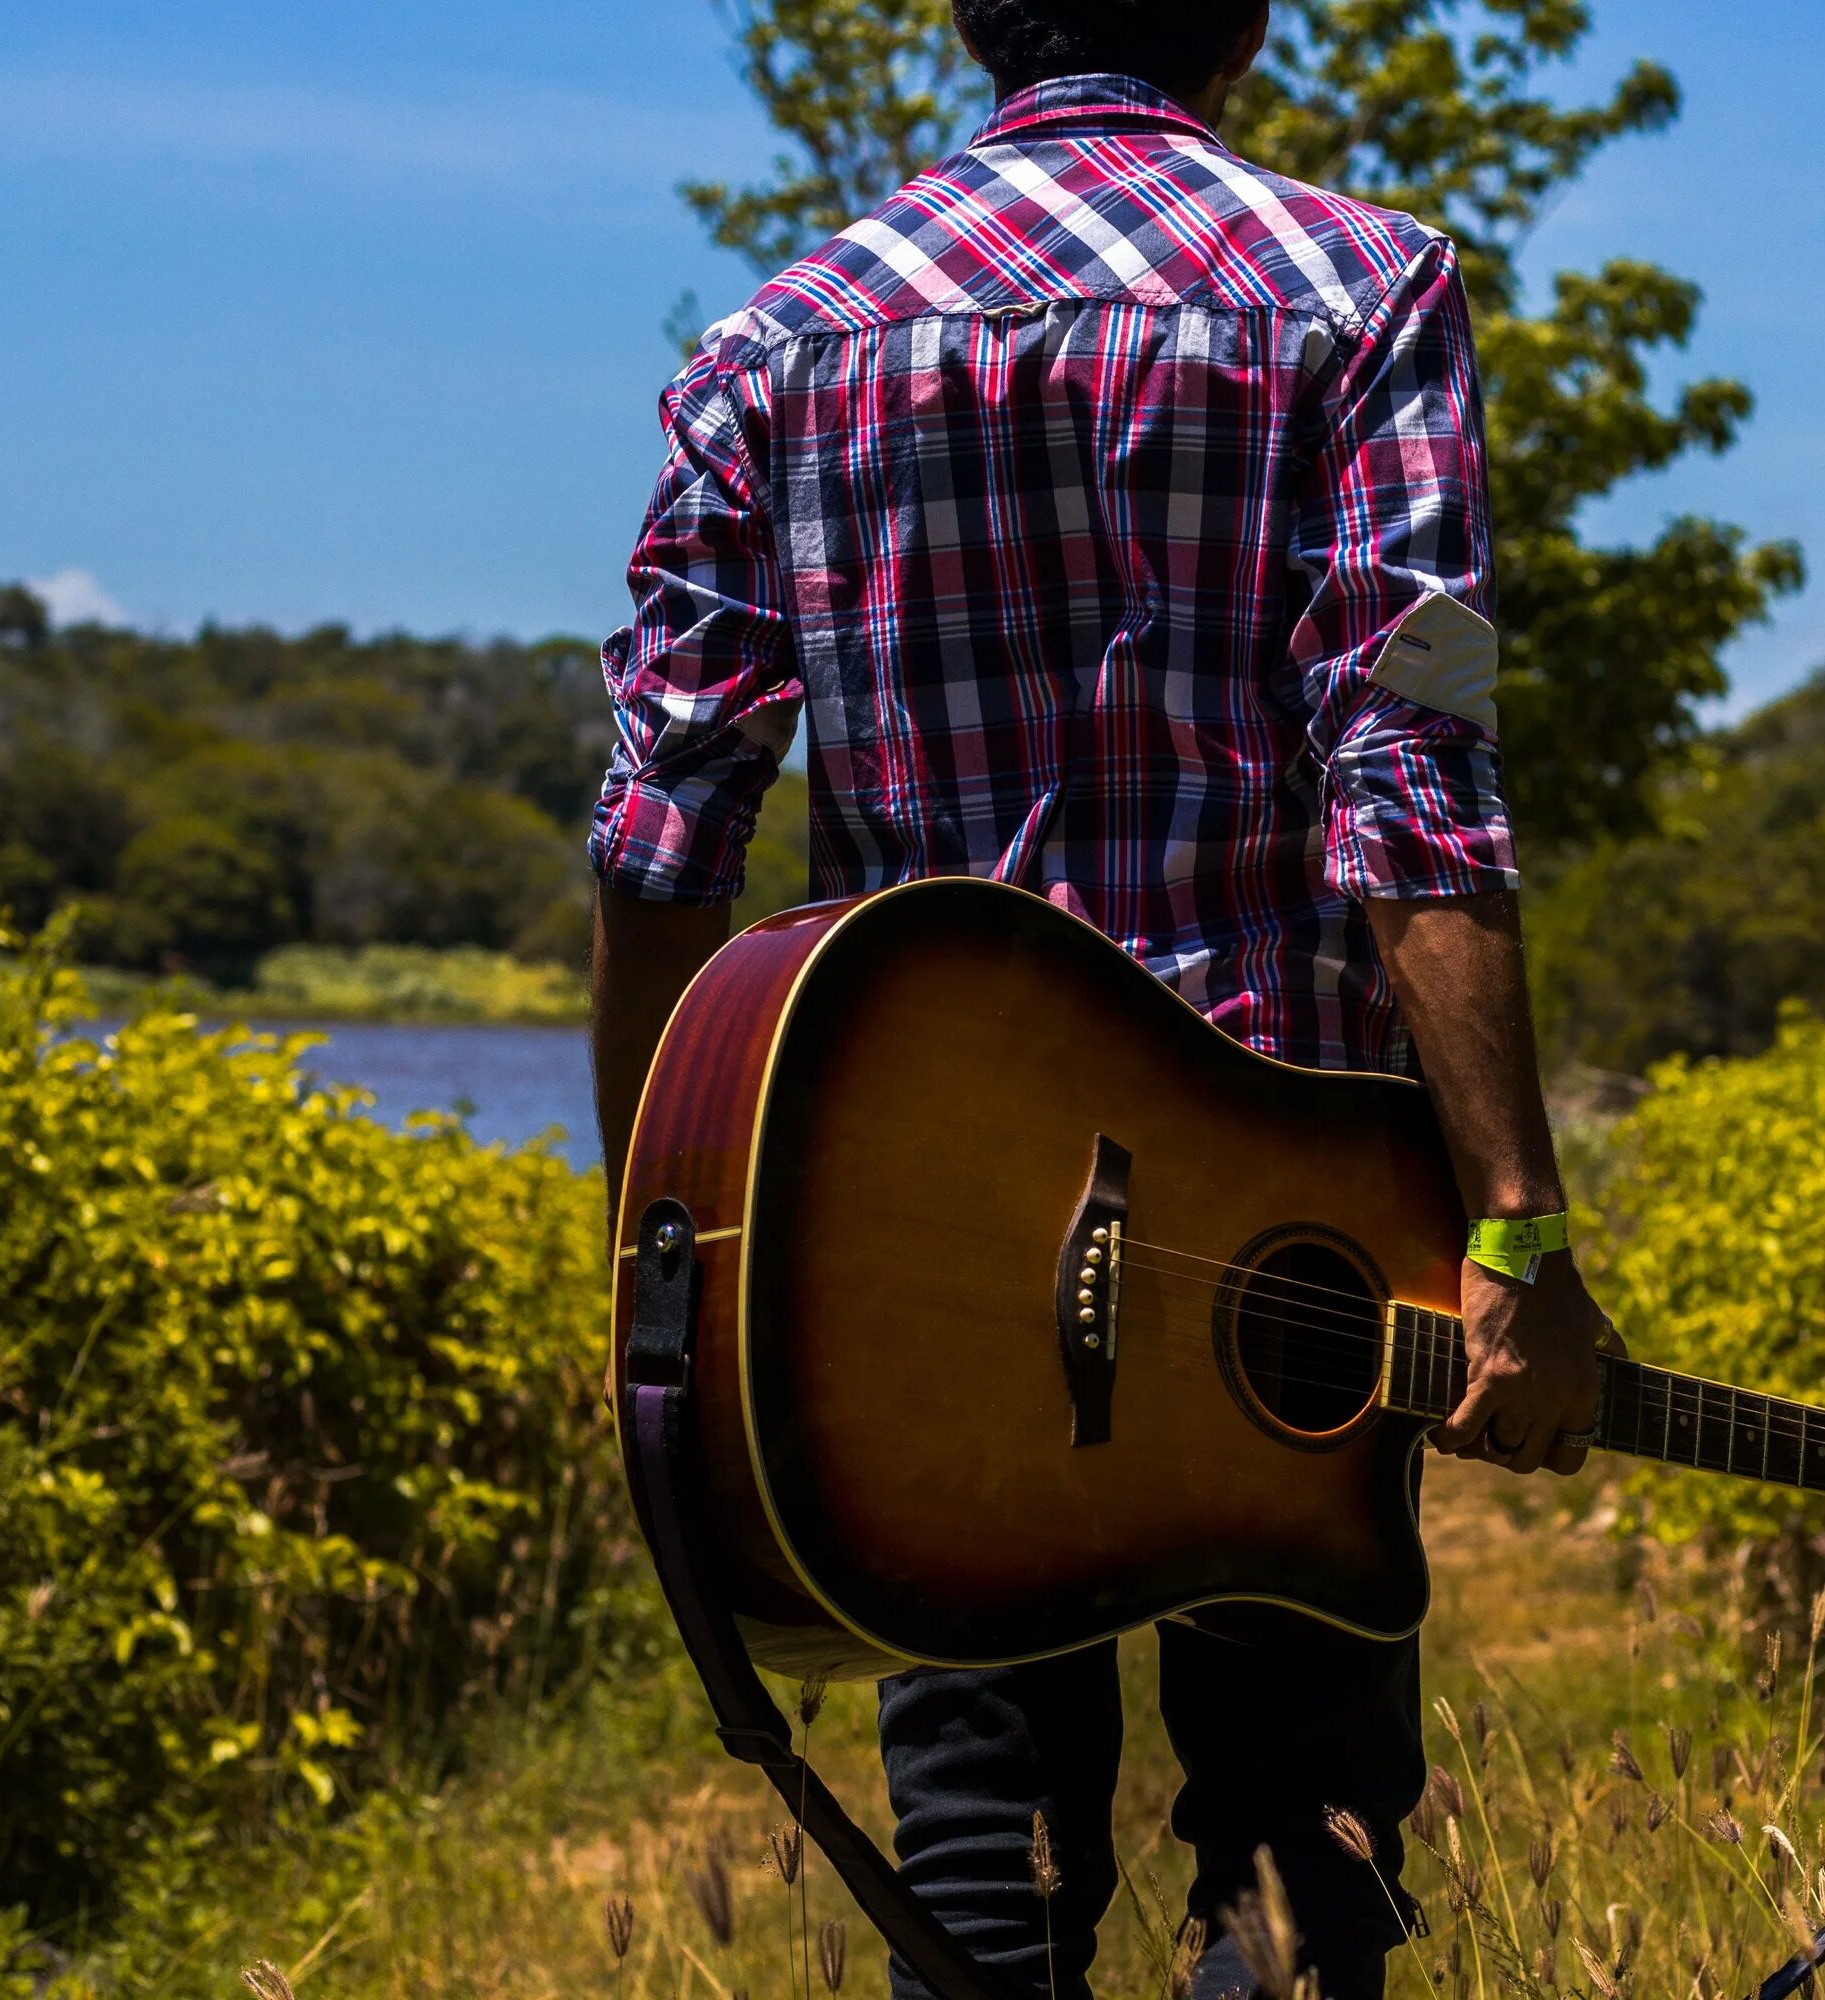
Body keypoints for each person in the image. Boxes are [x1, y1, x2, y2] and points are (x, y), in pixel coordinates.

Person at [586, 4, 1617, 1995]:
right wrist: (1517, 1225)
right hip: (1287, 1235)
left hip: (916, 1227)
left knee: (980, 1870)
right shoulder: (1356, 290)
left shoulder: (777, 342)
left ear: (975, 18)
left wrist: (673, 1259)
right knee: (1298, 1866)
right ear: (1242, 16)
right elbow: (1411, 779)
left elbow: (661, 840)